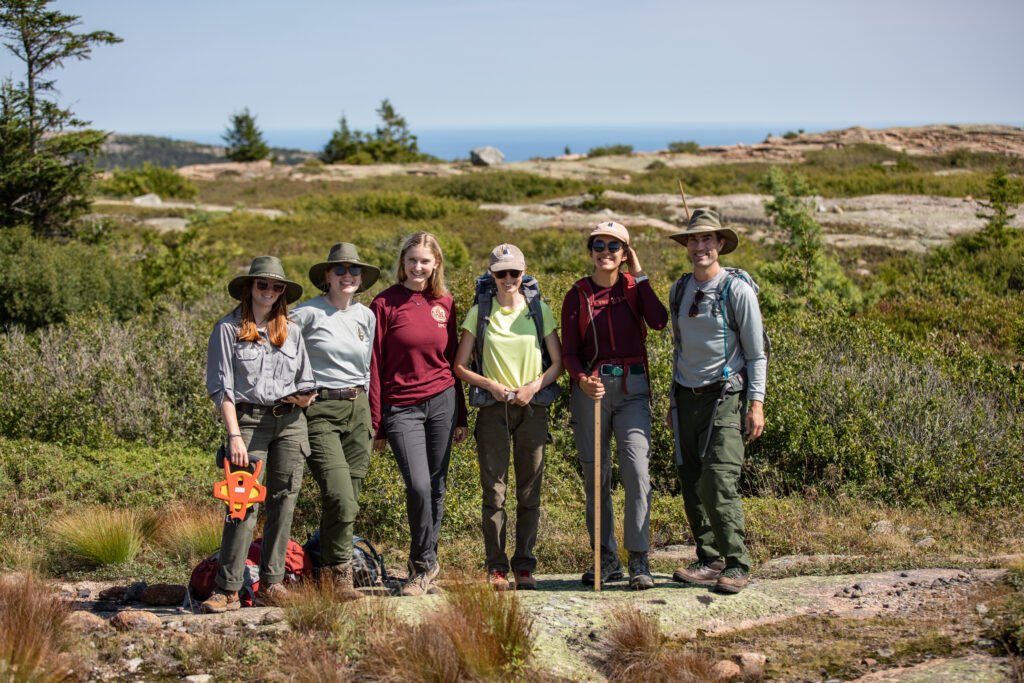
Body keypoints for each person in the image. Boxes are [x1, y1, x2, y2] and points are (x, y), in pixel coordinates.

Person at [202, 256, 317, 613]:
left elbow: (307, 380)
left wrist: (306, 395)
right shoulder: (227, 329)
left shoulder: (292, 331)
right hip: (248, 423)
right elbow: (222, 388)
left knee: (284, 501)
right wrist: (234, 435)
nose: (269, 291)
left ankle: (272, 582)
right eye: (262, 284)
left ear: (283, 292)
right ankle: (228, 588)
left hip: (290, 422)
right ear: (250, 287)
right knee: (241, 505)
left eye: (276, 286)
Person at [561, 221, 668, 590]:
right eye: (598, 245)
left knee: (637, 471)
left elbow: (658, 321)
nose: (605, 252)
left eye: (614, 246)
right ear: (590, 251)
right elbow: (570, 352)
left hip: (633, 389)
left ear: (625, 253)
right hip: (591, 391)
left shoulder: (633, 288)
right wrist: (581, 380)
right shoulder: (577, 294)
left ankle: (639, 559)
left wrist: (640, 276)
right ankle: (605, 559)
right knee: (597, 477)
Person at [667, 208, 766, 594]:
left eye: (708, 239)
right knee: (691, 481)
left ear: (720, 244)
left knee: (718, 480)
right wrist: (672, 400)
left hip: (725, 396)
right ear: (687, 246)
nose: (700, 246)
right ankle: (710, 559)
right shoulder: (679, 290)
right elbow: (678, 347)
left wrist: (756, 403)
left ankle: (737, 563)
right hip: (685, 397)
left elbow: (757, 354)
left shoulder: (735, 290)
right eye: (693, 239)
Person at [453, 244, 563, 591]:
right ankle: (497, 567)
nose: (508, 279)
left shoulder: (540, 310)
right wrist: (491, 385)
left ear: (524, 272)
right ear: (491, 275)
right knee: (494, 493)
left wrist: (532, 387)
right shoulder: (479, 312)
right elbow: (459, 366)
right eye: (501, 273)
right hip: (492, 409)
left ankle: (525, 566)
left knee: (530, 491)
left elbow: (558, 364)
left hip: (532, 408)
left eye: (514, 272)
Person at [370, 232, 468, 596]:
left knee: (438, 486)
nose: (418, 267)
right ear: (402, 263)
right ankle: (423, 563)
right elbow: (374, 365)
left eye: (425, 261)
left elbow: (453, 359)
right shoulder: (383, 303)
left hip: (443, 400)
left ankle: (423, 564)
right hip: (401, 407)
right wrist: (377, 422)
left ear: (436, 264)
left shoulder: (445, 301)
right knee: (419, 485)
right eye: (412, 260)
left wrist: (462, 415)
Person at [292, 243, 380, 601]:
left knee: (351, 496)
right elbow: (275, 346)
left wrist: (373, 417)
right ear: (326, 277)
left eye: (354, 271)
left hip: (358, 410)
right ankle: (339, 576)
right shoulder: (307, 314)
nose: (348, 276)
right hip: (320, 410)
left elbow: (368, 368)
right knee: (340, 496)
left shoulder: (366, 316)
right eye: (340, 270)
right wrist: (293, 392)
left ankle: (324, 569)